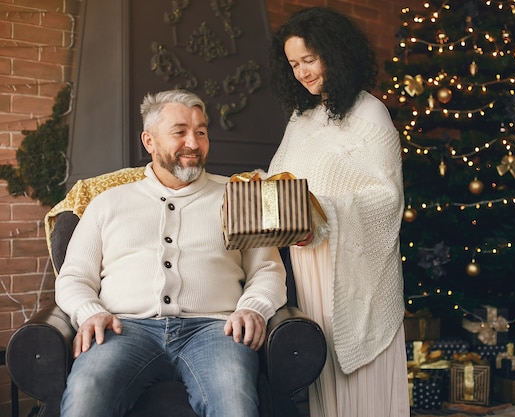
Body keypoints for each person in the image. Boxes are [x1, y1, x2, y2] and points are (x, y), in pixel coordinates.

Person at [54, 89, 287, 417]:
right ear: (149, 141)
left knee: (235, 401)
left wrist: (255, 308)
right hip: (123, 328)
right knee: (85, 394)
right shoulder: (107, 202)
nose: (193, 143)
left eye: (201, 132)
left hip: (216, 330)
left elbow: (268, 271)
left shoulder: (240, 197)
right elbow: (74, 276)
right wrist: (89, 312)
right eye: (179, 132)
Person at [267, 7, 409, 417]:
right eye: (294, 64)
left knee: (361, 379)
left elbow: (387, 198)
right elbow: (281, 179)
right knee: (324, 372)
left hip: (356, 268)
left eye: (309, 60)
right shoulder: (302, 117)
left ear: (335, 52)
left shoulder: (370, 114)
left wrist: (325, 209)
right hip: (308, 262)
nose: (302, 73)